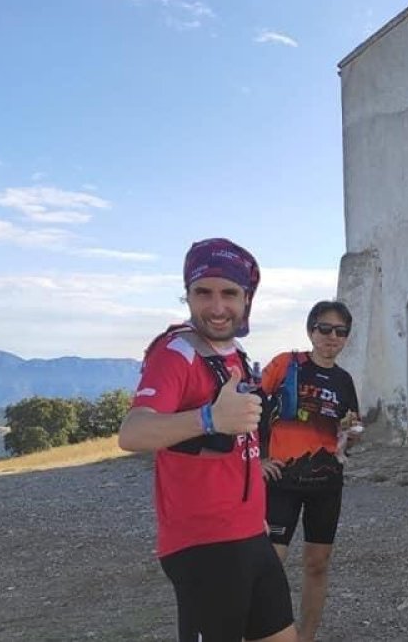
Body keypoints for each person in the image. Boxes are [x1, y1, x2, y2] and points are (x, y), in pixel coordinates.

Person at [118, 238, 297, 642]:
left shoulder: (233, 354)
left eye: (229, 293)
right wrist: (208, 418)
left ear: (247, 298)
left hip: (251, 534)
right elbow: (132, 433)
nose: (217, 307)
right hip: (203, 545)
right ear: (188, 295)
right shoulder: (175, 353)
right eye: (203, 293)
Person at [259, 301, 361, 642]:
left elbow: (348, 434)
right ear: (311, 330)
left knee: (318, 564)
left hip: (326, 483)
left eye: (340, 331)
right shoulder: (286, 364)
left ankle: (306, 637)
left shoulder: (344, 381)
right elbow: (252, 408)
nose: (332, 337)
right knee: (270, 567)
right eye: (325, 329)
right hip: (282, 480)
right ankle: (265, 634)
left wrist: (352, 436)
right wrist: (258, 459)